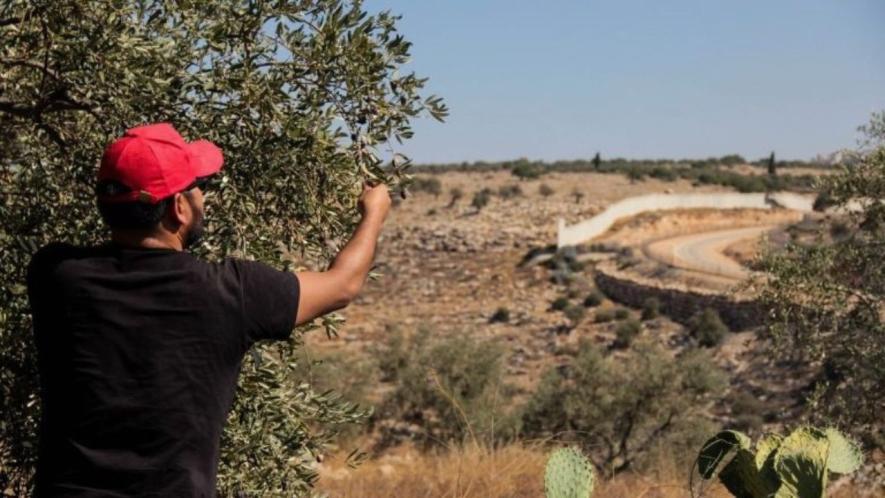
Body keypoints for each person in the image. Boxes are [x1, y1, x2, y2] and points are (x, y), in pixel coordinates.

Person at [25, 123, 391, 497]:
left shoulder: (54, 275)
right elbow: (343, 284)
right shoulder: (230, 293)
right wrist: (373, 213)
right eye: (197, 187)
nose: (203, 197)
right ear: (179, 208)